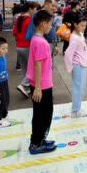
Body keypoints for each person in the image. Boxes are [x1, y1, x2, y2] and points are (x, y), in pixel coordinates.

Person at [28, 10, 57, 154]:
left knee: (44, 112)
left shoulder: (37, 39)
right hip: (42, 85)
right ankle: (36, 143)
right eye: (50, 24)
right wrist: (38, 87)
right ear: (43, 24)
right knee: (42, 114)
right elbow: (37, 65)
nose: (51, 27)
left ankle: (40, 139)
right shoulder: (40, 42)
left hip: (42, 83)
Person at [64, 17, 87, 118]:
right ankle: (75, 111)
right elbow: (68, 53)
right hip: (78, 65)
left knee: (81, 87)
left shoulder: (79, 34)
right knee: (78, 88)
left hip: (82, 63)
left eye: (85, 25)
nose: (84, 28)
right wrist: (69, 67)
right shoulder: (74, 37)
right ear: (75, 24)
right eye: (82, 25)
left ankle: (78, 107)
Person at [14, 2, 37, 98]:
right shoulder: (29, 20)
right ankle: (23, 84)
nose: (35, 11)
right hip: (27, 46)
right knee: (32, 69)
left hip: (19, 46)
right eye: (35, 9)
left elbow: (14, 32)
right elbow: (33, 34)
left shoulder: (19, 18)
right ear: (30, 9)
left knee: (25, 69)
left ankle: (27, 89)